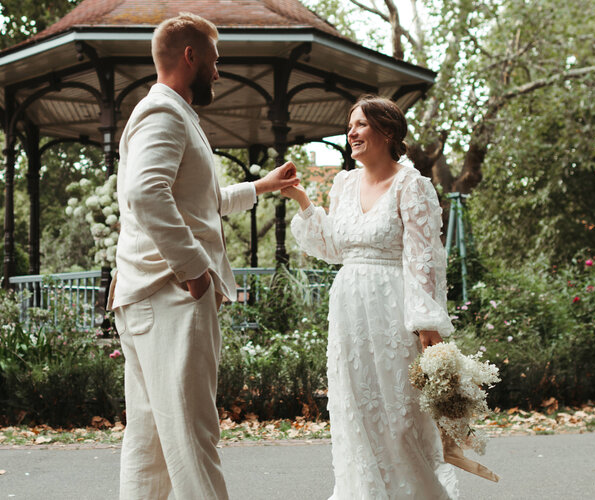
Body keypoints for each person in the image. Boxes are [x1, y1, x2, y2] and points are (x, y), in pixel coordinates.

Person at [109, 13, 298, 500]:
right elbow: (146, 194)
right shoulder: (163, 114)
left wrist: (263, 186)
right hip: (169, 296)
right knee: (194, 436)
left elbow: (201, 200)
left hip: (147, 297)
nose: (218, 71)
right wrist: (195, 272)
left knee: (150, 444)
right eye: (214, 60)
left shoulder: (172, 114)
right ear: (190, 56)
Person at [281, 95, 459, 499]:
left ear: (388, 131)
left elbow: (424, 258)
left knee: (399, 415)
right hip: (348, 312)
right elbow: (333, 246)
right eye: (350, 125)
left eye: (360, 124)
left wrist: (427, 322)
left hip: (394, 312)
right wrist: (302, 200)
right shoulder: (344, 184)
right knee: (356, 414)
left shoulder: (412, 185)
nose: (351, 132)